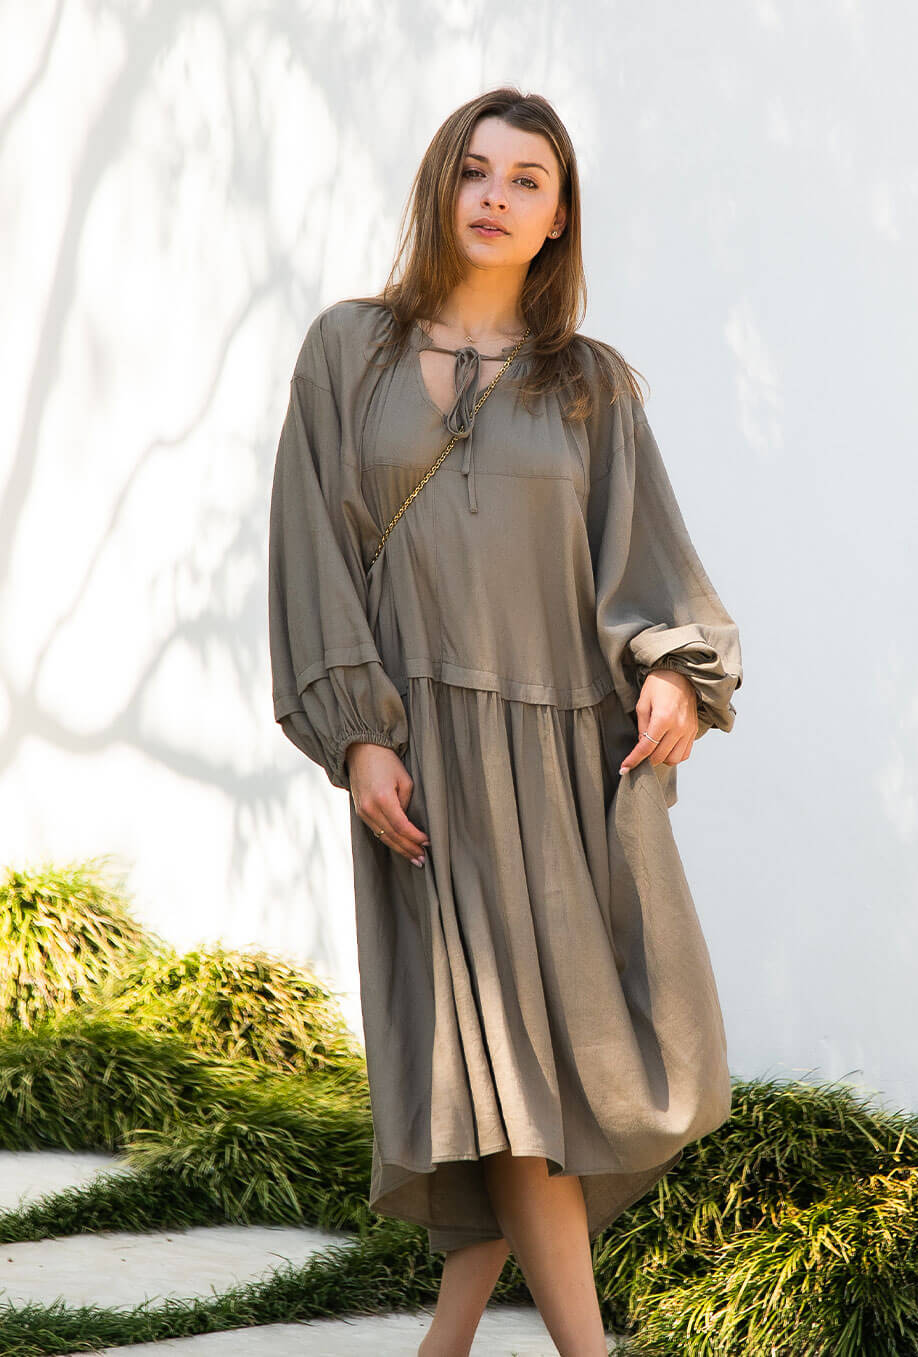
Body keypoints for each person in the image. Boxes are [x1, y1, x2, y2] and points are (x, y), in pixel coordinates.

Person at [268, 87, 743, 1357]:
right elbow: (310, 558)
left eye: (527, 179)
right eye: (475, 169)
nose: (495, 194)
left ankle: (452, 1336)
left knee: (523, 1062)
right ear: (441, 185)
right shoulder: (345, 353)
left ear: (557, 215)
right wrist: (359, 733)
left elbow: (642, 561)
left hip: (560, 758)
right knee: (495, 1065)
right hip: (423, 762)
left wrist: (669, 671)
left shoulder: (588, 384)